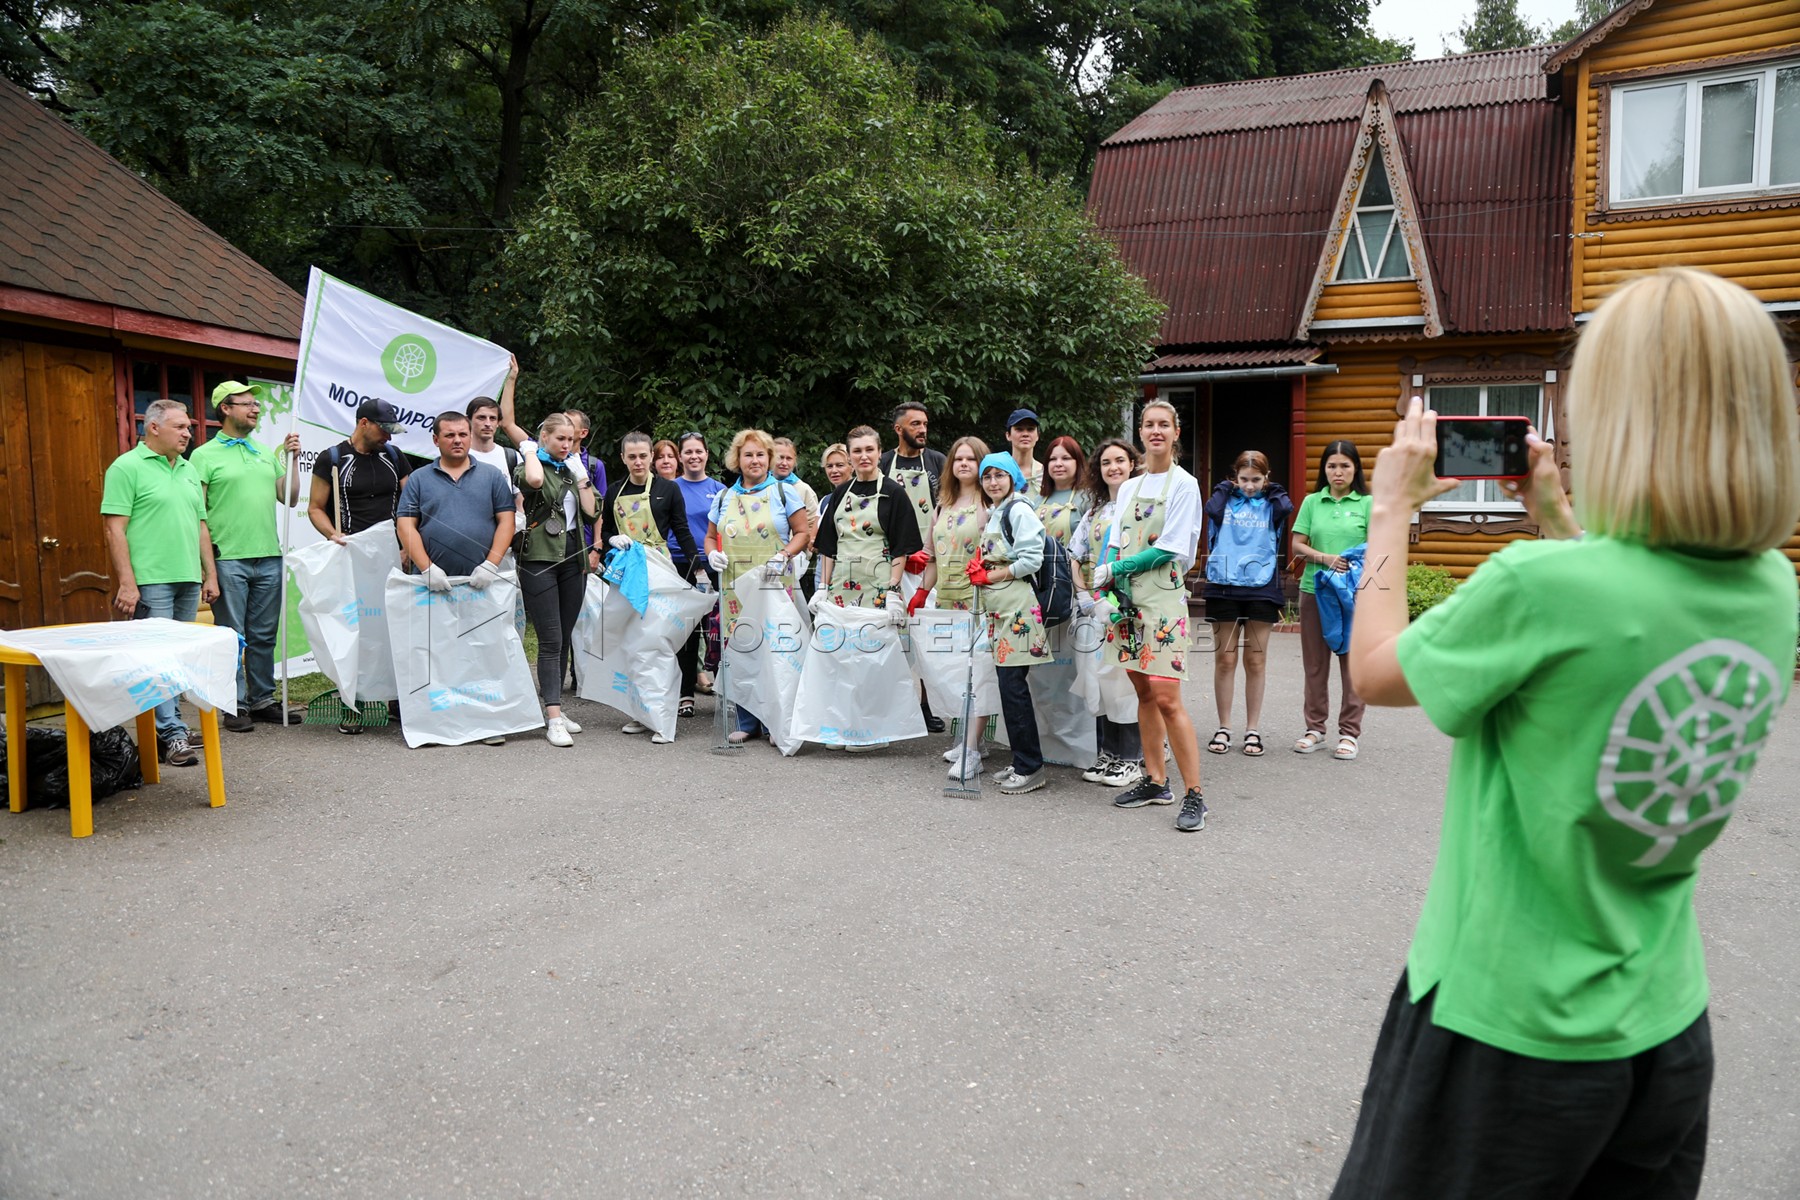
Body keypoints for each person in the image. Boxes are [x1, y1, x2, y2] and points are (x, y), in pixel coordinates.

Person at [1329, 268, 1800, 1200]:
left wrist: (1389, 507)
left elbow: (1373, 670)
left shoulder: (1538, 589)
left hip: (1505, 1036)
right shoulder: (1771, 592)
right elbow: (1631, 609)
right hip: (1664, 1029)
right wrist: (1559, 519)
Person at [1093, 399, 1207, 831]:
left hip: (1161, 599)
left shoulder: (1184, 484)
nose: (1156, 431)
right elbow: (1116, 540)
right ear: (1140, 432)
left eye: (1164, 424)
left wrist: (1116, 568)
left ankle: (1195, 793)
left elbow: (1173, 547)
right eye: (1148, 424)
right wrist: (1106, 578)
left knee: (1167, 697)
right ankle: (1156, 781)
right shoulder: (1131, 486)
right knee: (1142, 693)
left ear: (1176, 432)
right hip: (1126, 600)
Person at [100, 399, 219, 766]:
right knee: (156, 660)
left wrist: (209, 573)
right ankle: (172, 735)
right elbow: (113, 528)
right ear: (153, 428)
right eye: (180, 427)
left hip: (186, 578)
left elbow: (200, 526)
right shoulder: (126, 467)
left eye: (189, 428)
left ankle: (170, 726)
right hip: (151, 581)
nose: (188, 434)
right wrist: (127, 583)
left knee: (176, 659)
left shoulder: (186, 469)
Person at [394, 412, 519, 746]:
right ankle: (440, 723)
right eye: (449, 435)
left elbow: (506, 521)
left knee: (484, 652)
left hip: (482, 582)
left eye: (463, 434)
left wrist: (492, 564)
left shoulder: (492, 475)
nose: (458, 440)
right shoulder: (420, 479)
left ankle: (487, 722)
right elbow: (406, 524)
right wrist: (425, 567)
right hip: (436, 583)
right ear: (436, 440)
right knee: (438, 654)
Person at [190, 381, 305, 732]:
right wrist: (207, 569)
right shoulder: (203, 456)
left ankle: (262, 700)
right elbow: (198, 516)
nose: (255, 409)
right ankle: (234, 704)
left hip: (269, 555)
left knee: (264, 634)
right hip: (229, 559)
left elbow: (291, 498)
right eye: (247, 404)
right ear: (225, 409)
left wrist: (292, 460)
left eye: (257, 404)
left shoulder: (262, 452)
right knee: (231, 636)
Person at [705, 429, 812, 745]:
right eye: (748, 454)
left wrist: (784, 555)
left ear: (770, 458)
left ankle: (776, 720)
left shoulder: (784, 492)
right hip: (735, 586)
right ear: (737, 459)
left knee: (776, 649)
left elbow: (802, 532)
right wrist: (712, 553)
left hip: (774, 582)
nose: (754, 460)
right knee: (742, 649)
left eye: (760, 454)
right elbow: (711, 535)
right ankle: (747, 719)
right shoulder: (725, 497)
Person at [1201, 450, 1294, 758]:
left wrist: (1273, 488)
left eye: (1256, 479)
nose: (1250, 486)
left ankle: (1252, 728)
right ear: (1234, 476)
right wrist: (1226, 488)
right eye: (1244, 479)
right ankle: (1224, 726)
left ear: (1266, 478)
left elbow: (1286, 507)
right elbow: (1210, 509)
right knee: (1225, 660)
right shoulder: (1224, 499)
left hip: (1261, 587)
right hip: (1223, 585)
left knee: (1255, 661)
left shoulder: (1272, 503)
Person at [966, 453, 1049, 794]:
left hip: (1017, 610)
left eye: (1000, 475)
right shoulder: (999, 511)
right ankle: (1020, 760)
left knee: (1013, 689)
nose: (993, 482)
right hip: (999, 610)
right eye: (987, 477)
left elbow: (1032, 558)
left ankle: (1030, 767)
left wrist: (993, 573)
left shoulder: (1019, 510)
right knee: (1008, 687)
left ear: (1014, 478)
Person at [515, 414, 599, 747]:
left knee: (563, 637)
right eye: (559, 439)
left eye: (570, 439)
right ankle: (552, 718)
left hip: (572, 558)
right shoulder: (530, 465)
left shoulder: (572, 469)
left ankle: (556, 707)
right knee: (549, 639)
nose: (566, 445)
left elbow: (592, 512)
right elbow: (534, 482)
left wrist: (581, 478)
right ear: (544, 437)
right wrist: (531, 451)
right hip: (539, 559)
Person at [912, 436, 990, 777]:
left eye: (971, 460)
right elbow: (931, 556)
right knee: (959, 672)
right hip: (945, 599)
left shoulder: (990, 504)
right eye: (958, 459)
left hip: (980, 601)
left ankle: (972, 751)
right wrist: (920, 592)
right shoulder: (943, 504)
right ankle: (972, 739)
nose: (963, 464)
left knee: (980, 673)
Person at [1069, 438, 1144, 788]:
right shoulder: (1093, 513)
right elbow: (1075, 554)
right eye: (1106, 463)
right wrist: (1084, 596)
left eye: (1120, 461)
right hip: (1096, 609)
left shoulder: (1141, 509)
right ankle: (1108, 753)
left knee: (1124, 683)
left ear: (1132, 465)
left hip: (1127, 608)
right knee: (1099, 679)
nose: (1113, 468)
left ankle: (1131, 758)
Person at [1291, 440, 1371, 761]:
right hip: (1314, 590)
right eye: (1332, 466)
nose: (1338, 472)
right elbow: (1298, 545)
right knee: (1315, 664)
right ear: (1324, 470)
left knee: (1352, 665)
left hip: (1355, 594)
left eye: (1345, 466)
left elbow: (1377, 546)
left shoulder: (1367, 503)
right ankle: (1315, 728)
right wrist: (1324, 558)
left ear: (1356, 469)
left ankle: (1350, 733)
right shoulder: (1312, 502)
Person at [815, 426, 922, 610]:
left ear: (879, 453)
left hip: (880, 587)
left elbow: (901, 549)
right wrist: (823, 587)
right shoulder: (840, 493)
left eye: (869, 450)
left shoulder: (894, 493)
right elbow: (828, 545)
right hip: (841, 586)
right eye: (857, 451)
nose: (864, 456)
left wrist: (893, 590)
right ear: (849, 456)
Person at [599, 432, 701, 580]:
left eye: (643, 456)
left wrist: (698, 570)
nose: (638, 462)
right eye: (632, 457)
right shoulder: (613, 491)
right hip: (626, 565)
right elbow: (605, 530)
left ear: (652, 456)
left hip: (659, 562)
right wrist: (613, 539)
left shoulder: (669, 489)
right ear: (623, 458)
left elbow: (682, 532)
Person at [307, 398, 411, 542]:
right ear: (364, 423)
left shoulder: (394, 456)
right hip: (349, 548)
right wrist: (333, 535)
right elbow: (315, 508)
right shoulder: (331, 459)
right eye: (384, 430)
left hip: (391, 548)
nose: (389, 437)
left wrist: (407, 547)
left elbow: (410, 505)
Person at [674, 432, 727, 706]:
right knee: (687, 633)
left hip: (713, 565)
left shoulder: (720, 490)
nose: (694, 456)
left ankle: (724, 691)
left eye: (699, 451)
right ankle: (685, 693)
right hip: (679, 564)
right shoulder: (670, 487)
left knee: (716, 630)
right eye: (688, 452)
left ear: (707, 454)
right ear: (680, 456)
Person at [879, 402, 946, 546]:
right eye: (915, 424)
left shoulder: (938, 460)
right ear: (898, 429)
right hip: (891, 547)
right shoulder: (883, 462)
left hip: (930, 547)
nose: (923, 430)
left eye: (925, 424)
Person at [1036, 436, 1091, 547]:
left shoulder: (1088, 498)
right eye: (1053, 459)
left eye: (1066, 458)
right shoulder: (1038, 500)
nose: (1058, 464)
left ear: (1078, 462)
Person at [1003, 408, 1045, 494]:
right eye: (1019, 429)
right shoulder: (999, 473)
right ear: (1008, 435)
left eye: (1030, 429)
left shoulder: (1045, 474)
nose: (1025, 434)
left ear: (1037, 436)